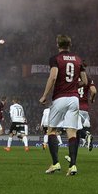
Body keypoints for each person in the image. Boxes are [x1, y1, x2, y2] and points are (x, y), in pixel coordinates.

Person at [39, 34, 86, 176]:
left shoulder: (55, 59)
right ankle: (73, 166)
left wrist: (44, 95)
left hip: (60, 98)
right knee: (72, 132)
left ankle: (55, 164)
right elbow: (84, 80)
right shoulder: (79, 59)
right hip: (74, 99)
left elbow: (53, 77)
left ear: (57, 44)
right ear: (69, 45)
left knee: (51, 130)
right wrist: (73, 84)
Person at [77, 68, 97, 151]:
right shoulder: (88, 79)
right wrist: (92, 99)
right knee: (84, 128)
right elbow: (94, 91)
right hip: (85, 109)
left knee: (74, 129)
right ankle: (87, 140)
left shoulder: (73, 78)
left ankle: (86, 137)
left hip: (75, 107)